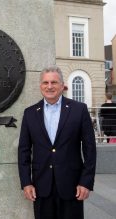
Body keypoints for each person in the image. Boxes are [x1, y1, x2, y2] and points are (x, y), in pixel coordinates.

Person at [18, 66, 96, 219]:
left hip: (72, 186)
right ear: (40, 86)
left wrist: (86, 182)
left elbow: (90, 149)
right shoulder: (30, 113)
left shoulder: (79, 110)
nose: (49, 86)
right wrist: (26, 183)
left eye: (54, 82)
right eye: (45, 82)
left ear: (62, 85)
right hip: (41, 187)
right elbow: (24, 151)